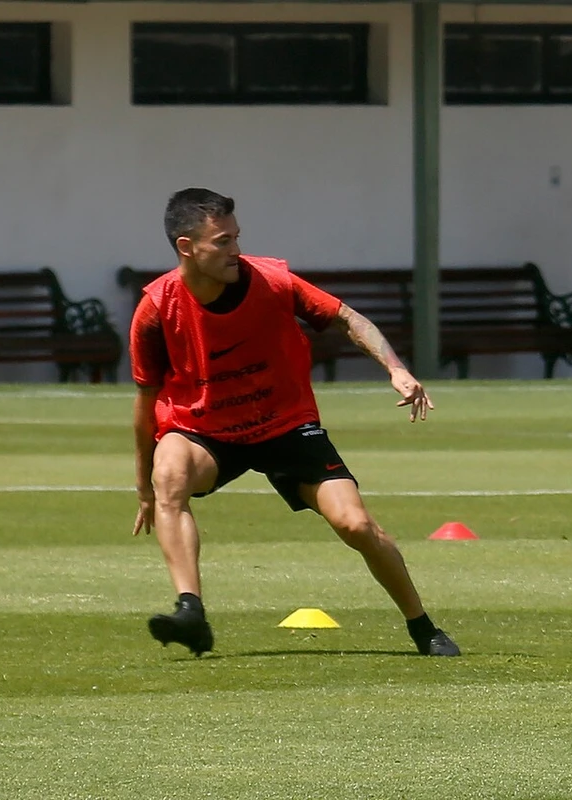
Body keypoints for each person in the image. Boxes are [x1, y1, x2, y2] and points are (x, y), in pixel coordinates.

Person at [129, 188, 460, 658]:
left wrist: (396, 368)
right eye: (222, 241)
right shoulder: (157, 309)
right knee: (170, 475)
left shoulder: (272, 281)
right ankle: (191, 612)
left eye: (236, 238)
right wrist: (143, 485)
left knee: (355, 525)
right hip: (206, 430)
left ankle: (422, 626)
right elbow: (145, 403)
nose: (235, 251)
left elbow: (348, 318)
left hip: (285, 424)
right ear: (187, 247)